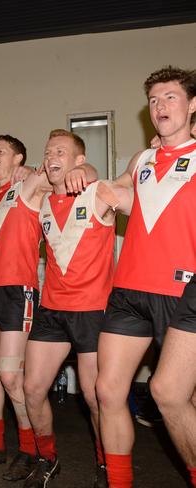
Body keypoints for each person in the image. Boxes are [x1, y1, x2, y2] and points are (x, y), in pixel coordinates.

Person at [95, 66, 196, 488]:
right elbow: (117, 195)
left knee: (175, 397)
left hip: (182, 291)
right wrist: (82, 179)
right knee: (106, 391)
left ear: (192, 105)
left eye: (170, 98)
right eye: (153, 101)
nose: (160, 107)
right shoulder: (142, 159)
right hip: (129, 290)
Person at [22, 130, 117, 488]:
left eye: (60, 151)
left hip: (92, 312)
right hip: (52, 310)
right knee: (32, 389)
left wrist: (90, 170)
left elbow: (118, 183)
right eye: (48, 152)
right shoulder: (43, 198)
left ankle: (105, 463)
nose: (51, 156)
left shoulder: (98, 193)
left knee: (95, 399)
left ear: (78, 160)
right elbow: (21, 179)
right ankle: (47, 458)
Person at [0, 135, 49, 481]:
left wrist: (32, 170)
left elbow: (66, 171)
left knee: (11, 376)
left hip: (18, 291)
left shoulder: (30, 186)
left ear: (18, 158)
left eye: (1, 151)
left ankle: (30, 450)